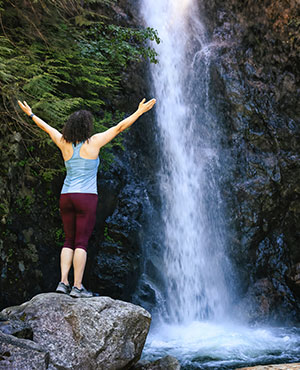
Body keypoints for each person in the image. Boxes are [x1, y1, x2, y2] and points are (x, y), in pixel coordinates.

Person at [18, 98, 156, 298]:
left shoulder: (63, 142)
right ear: (87, 126)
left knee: (68, 240)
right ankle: (77, 286)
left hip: (66, 196)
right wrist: (139, 112)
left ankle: (62, 282)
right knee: (81, 243)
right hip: (86, 197)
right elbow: (119, 127)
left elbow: (47, 128)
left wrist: (30, 114)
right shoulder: (94, 142)